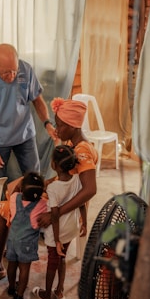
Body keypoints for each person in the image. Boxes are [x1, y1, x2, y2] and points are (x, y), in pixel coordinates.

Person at [0, 43, 56, 283]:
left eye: (14, 70)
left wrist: (47, 123)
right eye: (6, 72)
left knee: (36, 182)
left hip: (24, 135)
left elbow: (37, 100)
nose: (12, 76)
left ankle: (36, 231)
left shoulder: (25, 70)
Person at [32, 144, 87, 299]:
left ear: (54, 165)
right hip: (71, 228)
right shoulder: (77, 180)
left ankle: (47, 294)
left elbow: (54, 215)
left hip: (58, 231)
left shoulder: (53, 188)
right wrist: (84, 222)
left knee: (52, 261)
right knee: (61, 259)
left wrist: (56, 240)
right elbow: (82, 202)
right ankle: (60, 291)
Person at [37, 96, 98, 238]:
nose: (56, 130)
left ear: (72, 126)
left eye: (59, 125)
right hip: (62, 195)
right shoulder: (73, 144)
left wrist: (54, 214)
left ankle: (17, 251)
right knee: (20, 187)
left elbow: (90, 190)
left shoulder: (82, 151)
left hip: (63, 203)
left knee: (13, 206)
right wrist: (48, 183)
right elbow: (69, 177)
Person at [5, 172, 47, 299]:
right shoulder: (42, 204)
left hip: (12, 240)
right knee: (24, 269)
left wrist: (20, 185)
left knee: (11, 265)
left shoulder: (14, 198)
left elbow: (13, 189)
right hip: (27, 244)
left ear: (21, 188)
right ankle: (19, 296)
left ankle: (11, 287)